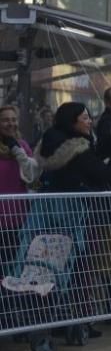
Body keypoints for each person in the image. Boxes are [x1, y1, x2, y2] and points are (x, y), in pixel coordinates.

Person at [37, 103, 111, 193]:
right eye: (85, 118)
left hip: (47, 202)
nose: (90, 121)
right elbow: (105, 174)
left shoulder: (51, 142)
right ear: (71, 121)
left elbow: (94, 159)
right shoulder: (78, 148)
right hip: (73, 203)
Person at [0, 105, 42, 270]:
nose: (11, 123)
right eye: (5, 120)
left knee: (13, 265)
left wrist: (17, 150)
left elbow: (32, 177)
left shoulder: (22, 146)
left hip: (19, 216)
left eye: (13, 119)